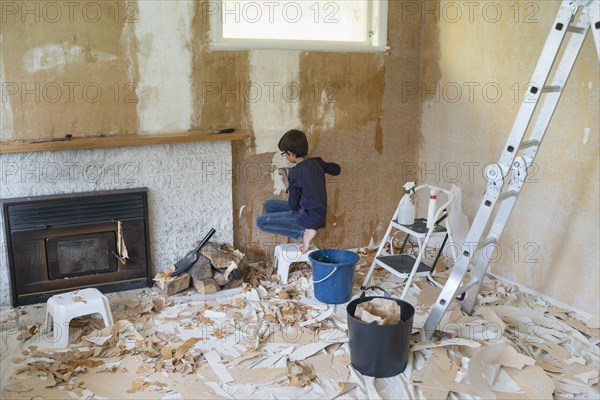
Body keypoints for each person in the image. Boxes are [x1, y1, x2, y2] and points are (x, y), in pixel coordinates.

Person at [256, 129, 341, 253]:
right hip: (317, 213)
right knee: (269, 206)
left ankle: (303, 231)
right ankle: (305, 228)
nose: (284, 156)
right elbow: (336, 169)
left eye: (284, 153)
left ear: (290, 153)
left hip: (307, 216)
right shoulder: (317, 162)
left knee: (261, 222)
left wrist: (289, 186)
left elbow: (293, 205)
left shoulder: (295, 174)